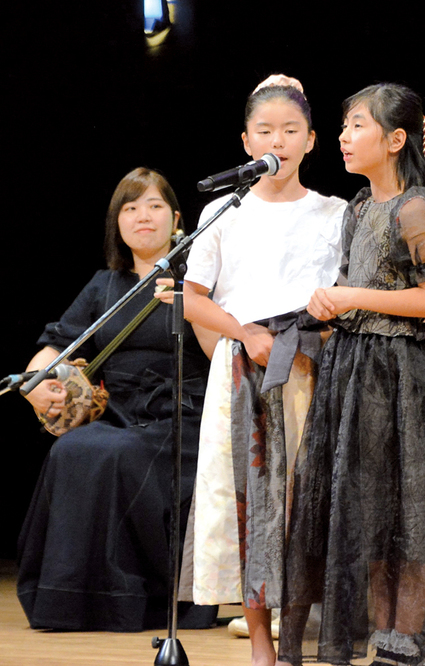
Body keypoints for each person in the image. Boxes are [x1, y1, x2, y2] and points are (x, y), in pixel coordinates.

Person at [278, 83, 425, 666]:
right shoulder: (358, 207)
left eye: (357, 125)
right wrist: (331, 305)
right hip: (351, 370)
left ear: (395, 139)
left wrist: (351, 295)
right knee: (367, 511)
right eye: (345, 126)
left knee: (406, 513)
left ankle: (403, 639)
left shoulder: (416, 206)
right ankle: (381, 635)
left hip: (395, 373)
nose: (345, 137)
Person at [182, 75, 346, 666]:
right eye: (265, 130)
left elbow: (348, 291)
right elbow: (190, 295)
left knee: (305, 501)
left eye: (291, 130)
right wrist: (243, 332)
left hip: (310, 368)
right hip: (242, 372)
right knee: (249, 502)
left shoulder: (336, 212)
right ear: (247, 141)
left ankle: (303, 634)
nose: (278, 139)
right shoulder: (222, 211)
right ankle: (260, 643)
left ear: (311, 140)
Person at [16, 167, 217, 632]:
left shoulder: (199, 276)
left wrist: (191, 297)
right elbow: (59, 342)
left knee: (115, 453)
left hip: (185, 415)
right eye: (130, 208)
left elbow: (220, 346)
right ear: (117, 224)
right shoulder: (103, 284)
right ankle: (68, 600)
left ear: (177, 218)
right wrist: (35, 382)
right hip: (123, 413)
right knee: (71, 449)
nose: (142, 216)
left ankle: (139, 596)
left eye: (154, 206)